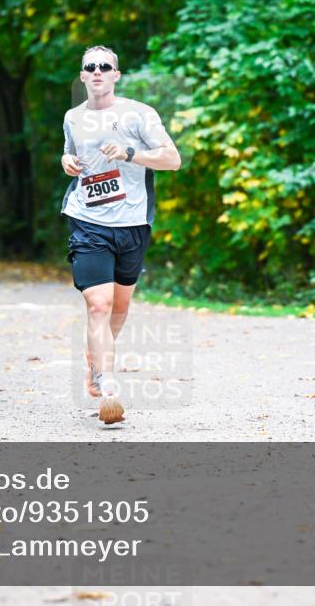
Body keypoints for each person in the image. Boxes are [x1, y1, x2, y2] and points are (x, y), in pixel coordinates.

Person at [60, 45, 181, 424]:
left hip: (132, 224)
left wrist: (130, 154)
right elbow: (68, 154)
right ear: (82, 76)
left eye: (104, 67)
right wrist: (65, 161)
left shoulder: (139, 115)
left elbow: (172, 160)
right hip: (87, 219)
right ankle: (106, 381)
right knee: (99, 304)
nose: (97, 72)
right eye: (89, 67)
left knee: (120, 307)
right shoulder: (73, 117)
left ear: (116, 74)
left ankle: (96, 357)